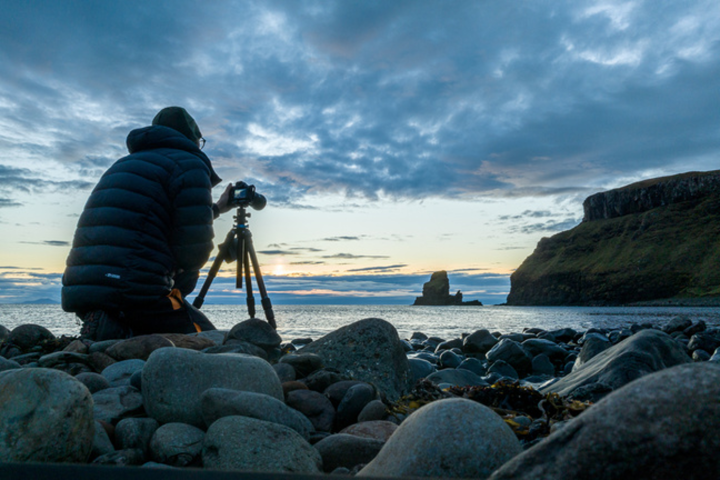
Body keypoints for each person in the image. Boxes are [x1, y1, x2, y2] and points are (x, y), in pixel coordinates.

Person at [62, 106, 234, 340]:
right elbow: (193, 253)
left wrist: (218, 209)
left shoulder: (122, 164)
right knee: (210, 341)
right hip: (136, 292)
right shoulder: (190, 163)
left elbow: (148, 222)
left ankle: (112, 326)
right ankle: (119, 327)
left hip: (82, 290)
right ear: (194, 139)